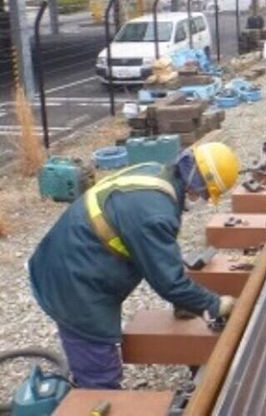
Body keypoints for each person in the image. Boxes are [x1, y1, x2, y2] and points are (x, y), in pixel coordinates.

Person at [28, 142, 242, 390]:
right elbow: (167, 281)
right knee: (99, 368)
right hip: (73, 279)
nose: (203, 201)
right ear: (197, 185)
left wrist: (186, 300)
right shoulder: (155, 213)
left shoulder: (155, 174)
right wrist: (213, 304)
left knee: (95, 354)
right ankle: (92, 396)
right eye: (206, 194)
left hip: (69, 255)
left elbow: (159, 254)